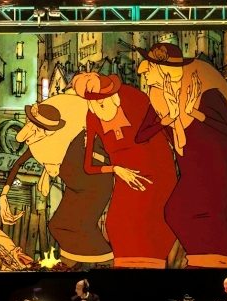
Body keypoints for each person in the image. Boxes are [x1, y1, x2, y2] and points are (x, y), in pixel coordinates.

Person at [135, 43, 227, 269]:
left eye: (149, 69)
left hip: (214, 172)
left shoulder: (206, 95)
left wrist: (196, 114)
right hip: (189, 171)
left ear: (162, 69)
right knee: (175, 211)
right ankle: (198, 262)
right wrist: (167, 120)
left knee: (185, 214)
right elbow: (141, 136)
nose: (144, 74)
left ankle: (206, 263)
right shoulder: (159, 100)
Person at [71, 72, 177, 268]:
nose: (97, 105)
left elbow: (163, 130)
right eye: (91, 100)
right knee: (115, 224)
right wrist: (115, 169)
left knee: (150, 223)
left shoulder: (134, 98)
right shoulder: (92, 116)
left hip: (156, 170)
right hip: (124, 177)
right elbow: (89, 166)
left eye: (101, 99)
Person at [3, 95, 115, 269]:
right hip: (74, 189)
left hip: (94, 186)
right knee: (57, 226)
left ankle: (108, 262)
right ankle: (72, 261)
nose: (36, 133)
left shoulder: (76, 138)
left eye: (43, 129)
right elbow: (18, 163)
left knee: (83, 227)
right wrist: (3, 195)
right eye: (34, 126)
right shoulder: (41, 146)